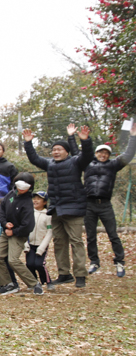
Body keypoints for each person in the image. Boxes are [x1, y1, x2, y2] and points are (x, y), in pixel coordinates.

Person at [23, 125, 93, 287]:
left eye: (59, 149)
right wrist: (28, 143)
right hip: (56, 209)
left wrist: (85, 140)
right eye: (54, 149)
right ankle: (64, 273)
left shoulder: (75, 162)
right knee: (60, 243)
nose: (55, 152)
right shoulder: (50, 164)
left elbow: (87, 155)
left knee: (76, 242)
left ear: (66, 151)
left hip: (73, 209)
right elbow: (34, 159)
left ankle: (80, 275)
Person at [67, 123, 136, 277]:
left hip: (105, 205)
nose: (103, 155)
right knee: (91, 236)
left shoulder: (113, 165)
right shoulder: (88, 164)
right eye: (100, 152)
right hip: (89, 204)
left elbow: (128, 154)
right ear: (96, 153)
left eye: (106, 153)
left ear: (109, 155)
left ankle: (119, 262)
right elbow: (77, 151)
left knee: (113, 235)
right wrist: (71, 136)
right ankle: (94, 262)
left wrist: (133, 137)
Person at [0, 173, 42, 295]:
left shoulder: (28, 202)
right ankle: (8, 284)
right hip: (6, 231)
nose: (20, 189)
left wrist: (13, 231)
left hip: (19, 234)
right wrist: (5, 223)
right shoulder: (11, 195)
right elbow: (2, 210)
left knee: (13, 260)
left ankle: (34, 284)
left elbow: (28, 225)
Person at [24, 191, 53, 289]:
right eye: (34, 198)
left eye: (39, 199)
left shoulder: (48, 215)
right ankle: (34, 283)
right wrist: (25, 244)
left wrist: (42, 247)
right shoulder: (29, 213)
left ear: (44, 202)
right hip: (30, 243)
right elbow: (25, 228)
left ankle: (48, 281)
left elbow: (49, 231)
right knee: (30, 264)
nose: (35, 201)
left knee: (39, 264)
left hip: (41, 244)